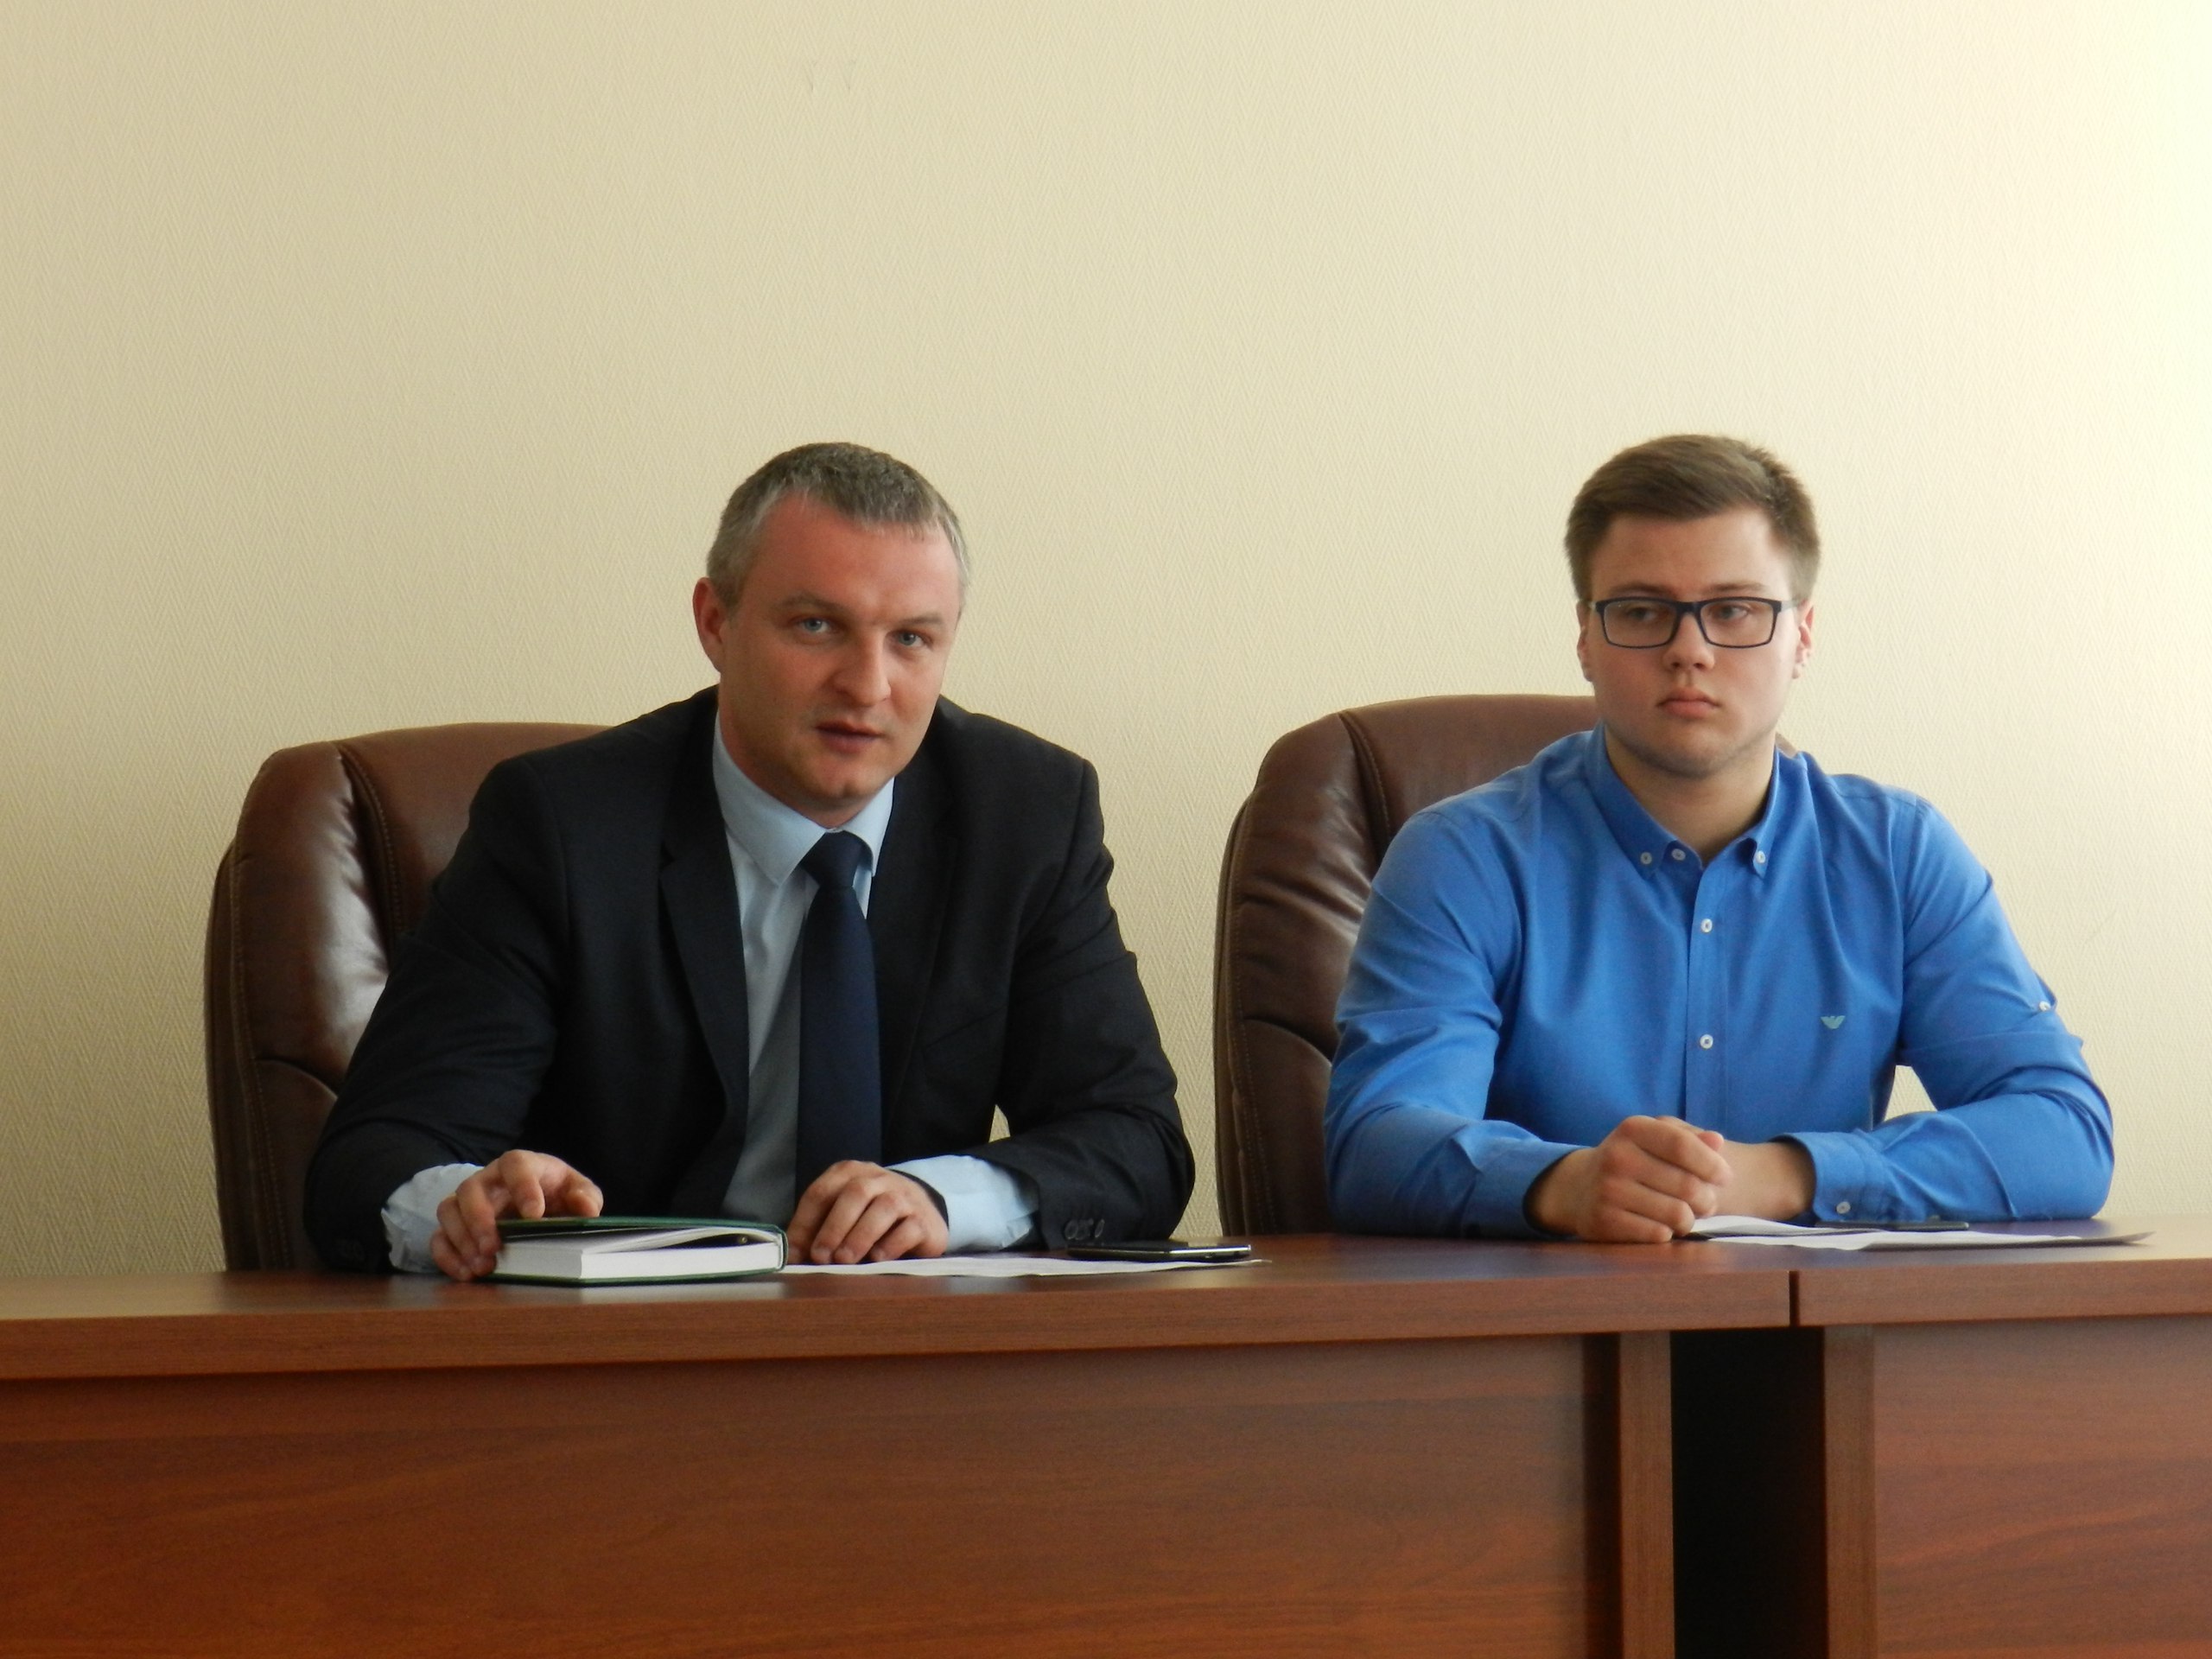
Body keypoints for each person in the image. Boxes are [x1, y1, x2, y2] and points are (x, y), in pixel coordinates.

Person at [307, 443, 1192, 1278]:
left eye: (912, 639)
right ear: (715, 622)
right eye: (817, 626)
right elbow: (374, 1155)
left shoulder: (1024, 815)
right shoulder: (563, 825)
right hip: (632, 1344)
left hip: (907, 1345)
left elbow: (1136, 1140)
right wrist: (467, 1205)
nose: (868, 685)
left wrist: (944, 1198)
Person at [1325, 434, 2112, 1242]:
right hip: (1550, 1314)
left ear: (1803, 634)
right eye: (1642, 612)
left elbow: (2063, 1134)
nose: (1690, 652)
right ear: (1586, 637)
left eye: (1735, 611)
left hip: (1819, 1313)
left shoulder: (1897, 854)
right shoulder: (1462, 858)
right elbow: (1375, 1141)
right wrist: (1562, 1184)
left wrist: (1785, 1174)